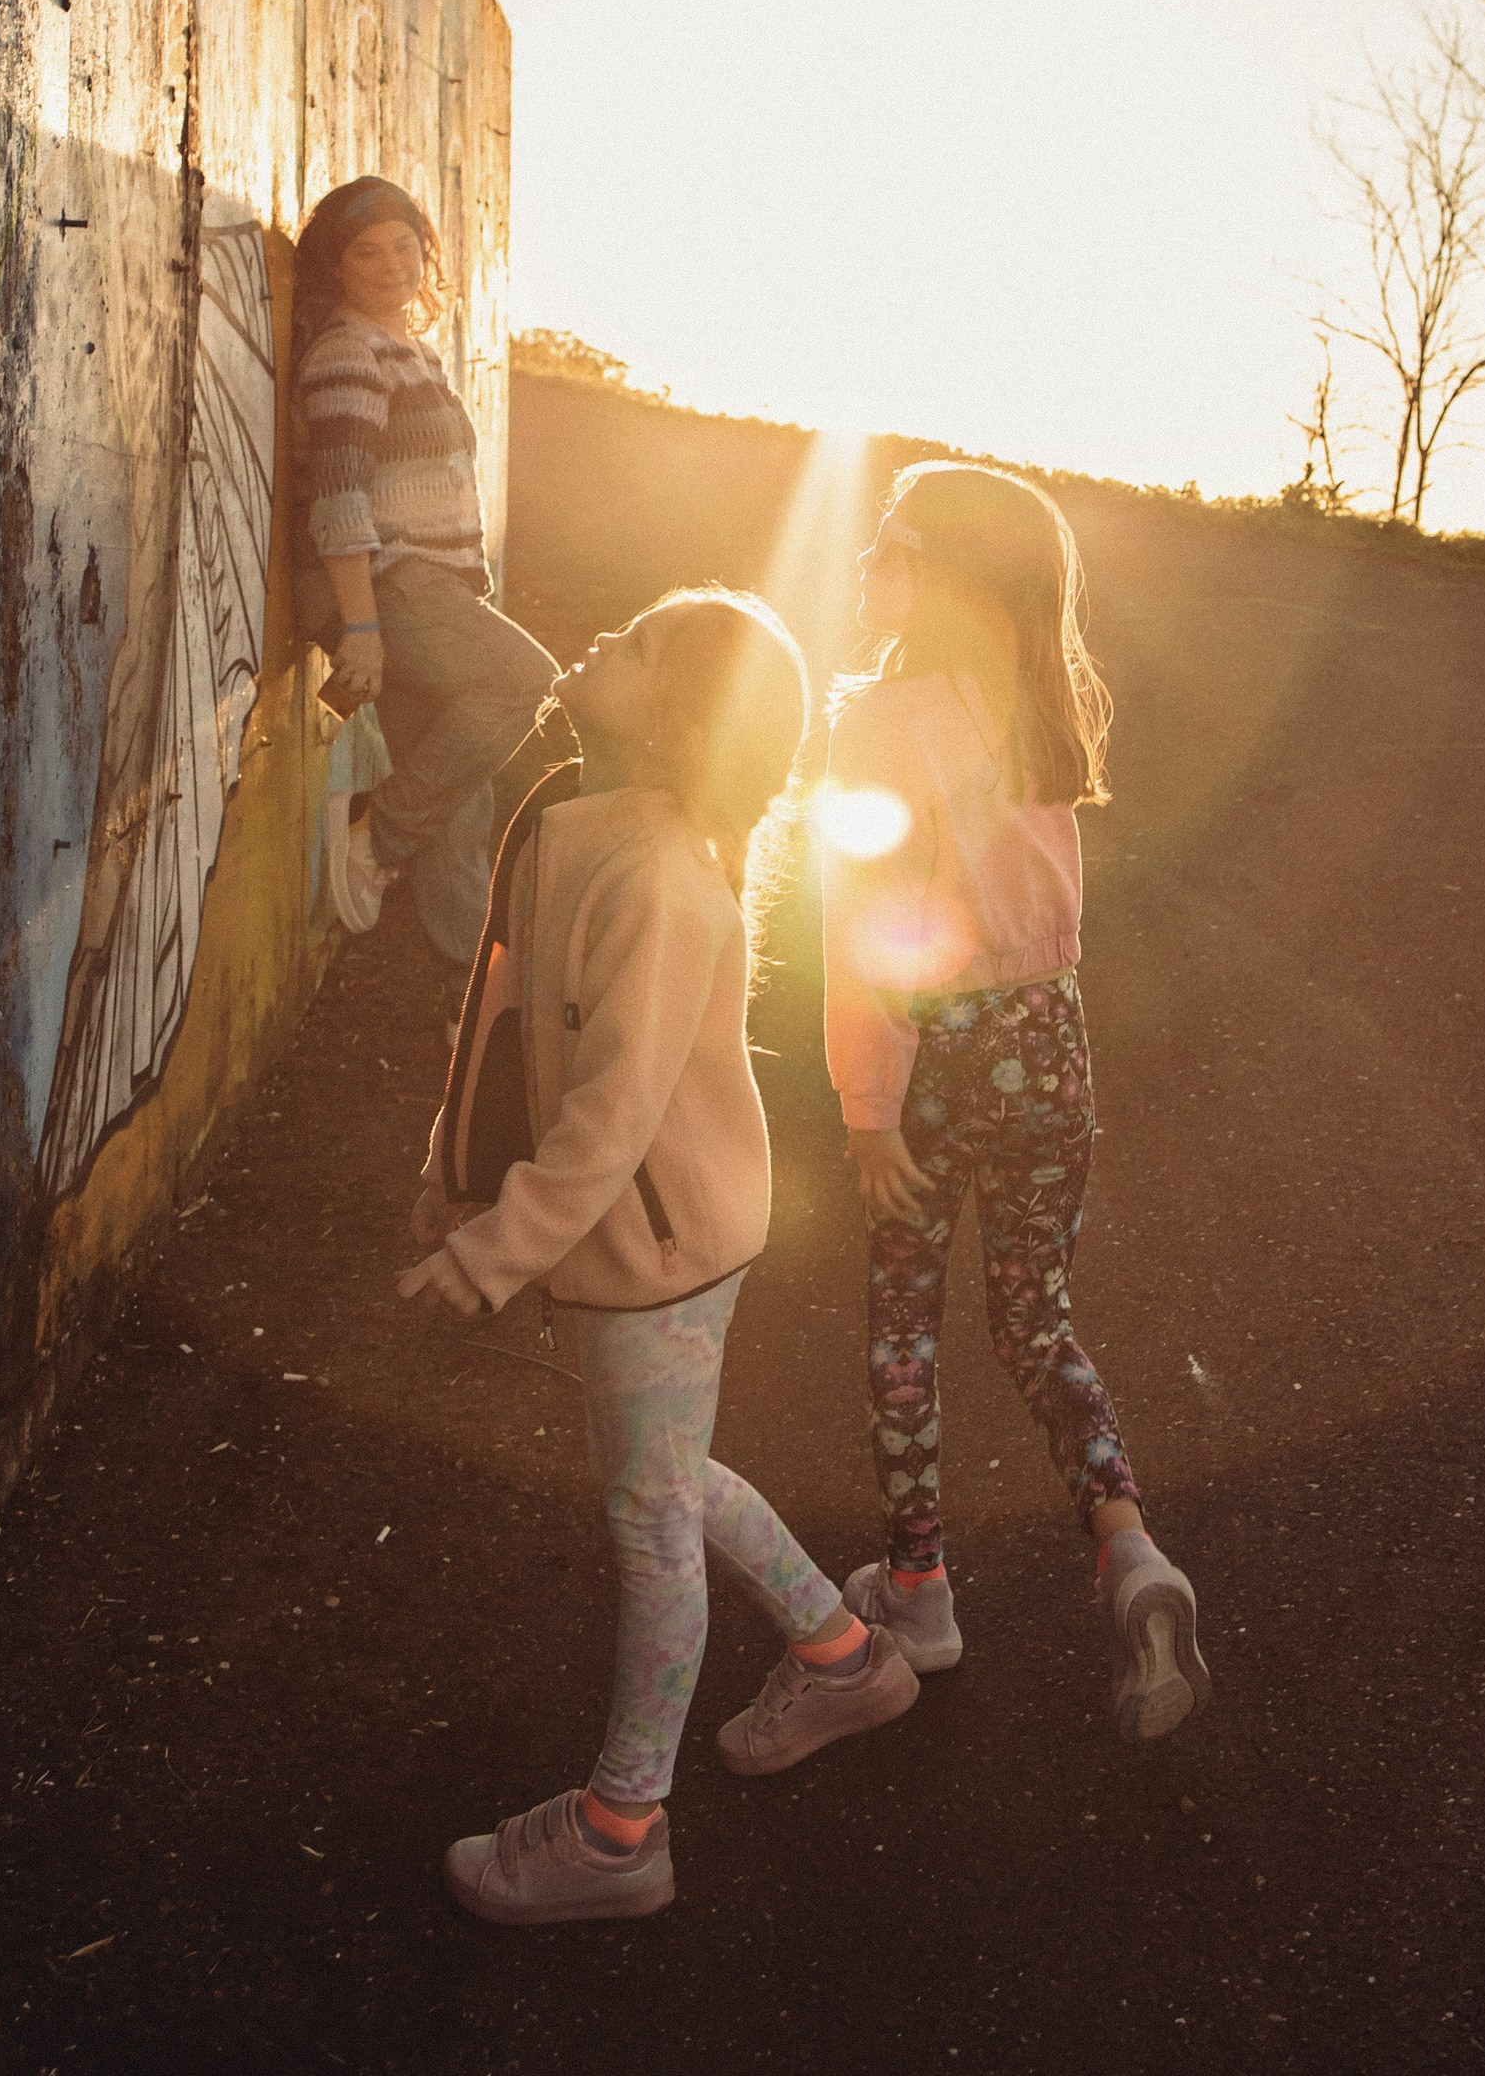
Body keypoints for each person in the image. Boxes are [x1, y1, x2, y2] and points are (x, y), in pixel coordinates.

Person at [399, 589, 919, 1925]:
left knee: (649, 1519)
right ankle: (845, 1650)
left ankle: (624, 1831)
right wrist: (451, 1181)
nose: (598, 639)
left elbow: (612, 1110)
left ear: (683, 722)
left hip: (661, 1248)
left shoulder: (658, 879)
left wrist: (501, 1241)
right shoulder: (578, 824)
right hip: (634, 1234)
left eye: (631, 646)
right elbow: (509, 1030)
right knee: (668, 1479)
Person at [819, 462, 1211, 1742]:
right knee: (1036, 1320)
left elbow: (868, 926)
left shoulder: (883, 721)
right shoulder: (1046, 708)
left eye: (889, 541)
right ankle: (1128, 1550)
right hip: (1053, 1039)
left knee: (903, 1327)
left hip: (938, 1049)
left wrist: (867, 1105)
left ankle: (920, 1590)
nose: (869, 561)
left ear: (941, 572)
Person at [291, 177, 558, 1011]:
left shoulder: (409, 348)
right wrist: (362, 628)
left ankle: (468, 1006)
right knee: (523, 682)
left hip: (431, 586)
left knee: (462, 804)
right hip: (396, 586)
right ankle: (378, 840)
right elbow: (337, 499)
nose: (390, 264)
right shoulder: (347, 353)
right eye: (365, 252)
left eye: (404, 244)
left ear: (426, 248)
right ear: (337, 267)